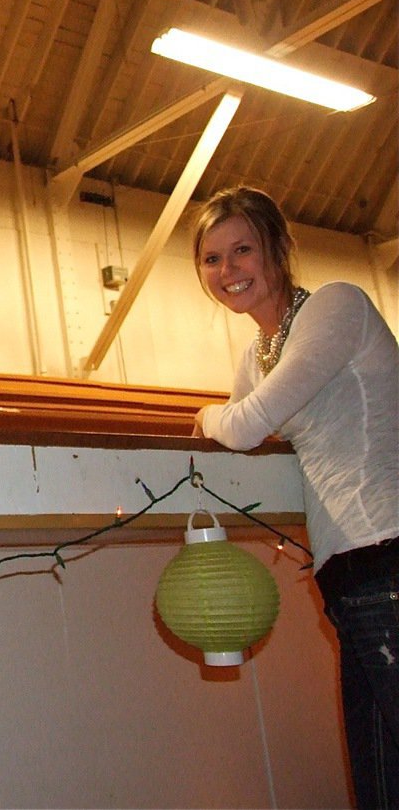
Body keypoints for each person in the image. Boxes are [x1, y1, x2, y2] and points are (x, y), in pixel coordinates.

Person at [191, 186, 398, 808]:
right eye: (211, 259)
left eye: (243, 250)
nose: (228, 271)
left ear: (279, 249)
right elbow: (245, 418)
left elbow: (243, 423)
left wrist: (204, 414)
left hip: (386, 552)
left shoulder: (337, 306)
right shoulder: (259, 353)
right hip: (348, 570)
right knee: (378, 778)